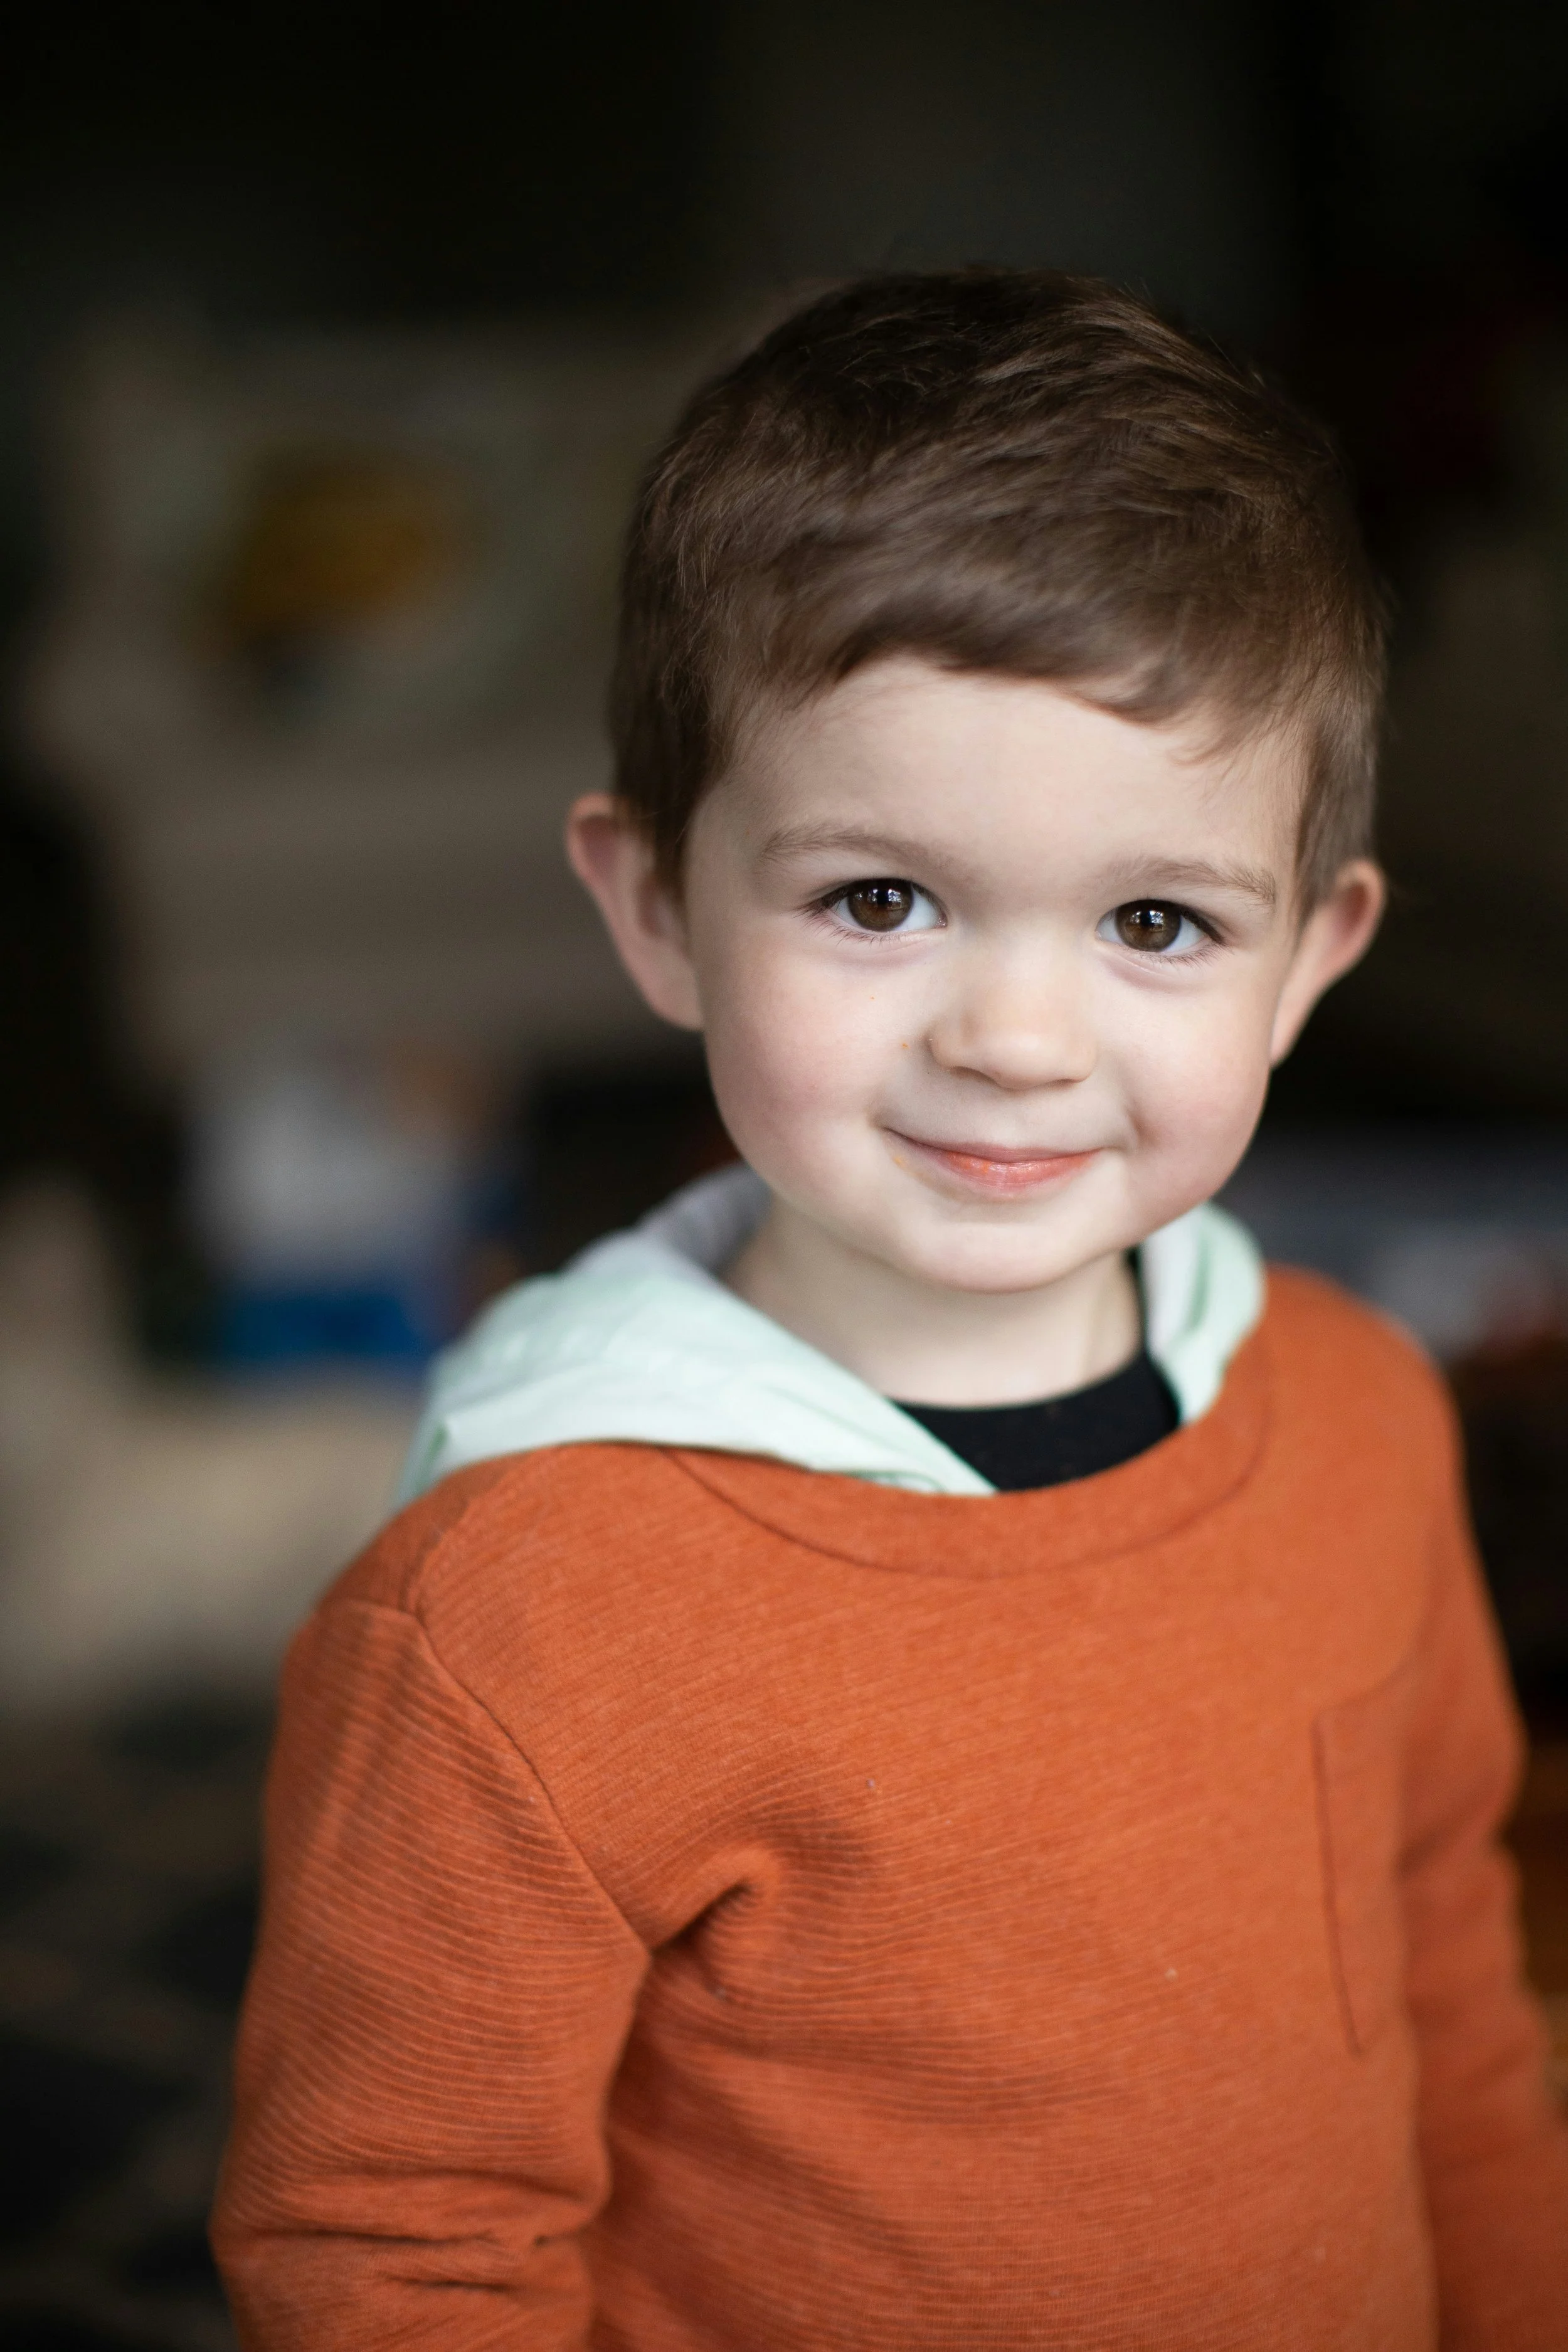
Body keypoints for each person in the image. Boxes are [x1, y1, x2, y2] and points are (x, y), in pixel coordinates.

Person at [211, 272, 1568, 2349]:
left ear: (1309, 959)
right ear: (656, 907)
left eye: (1154, 920)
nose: (1015, 1036)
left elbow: (1450, 1981)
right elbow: (394, 2245)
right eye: (878, 898)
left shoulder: (1363, 1417)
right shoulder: (521, 1607)